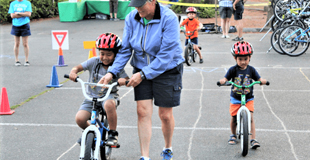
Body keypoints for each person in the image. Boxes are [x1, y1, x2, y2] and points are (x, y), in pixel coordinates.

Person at [98, 0, 184, 159]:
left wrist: (143, 74)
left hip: (167, 69)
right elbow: (125, 50)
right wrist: (111, 73)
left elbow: (166, 56)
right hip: (141, 67)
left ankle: (167, 147)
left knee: (165, 114)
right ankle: (145, 156)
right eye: (134, 5)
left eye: (140, 4)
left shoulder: (169, 19)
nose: (137, 8)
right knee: (142, 112)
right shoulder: (132, 17)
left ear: (152, 1)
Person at [69, 33, 129, 146]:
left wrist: (124, 81)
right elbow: (77, 67)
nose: (105, 57)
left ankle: (112, 133)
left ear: (116, 54)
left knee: (109, 105)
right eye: (102, 54)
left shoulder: (117, 66)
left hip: (108, 96)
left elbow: (126, 79)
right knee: (80, 119)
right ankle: (90, 131)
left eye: (109, 54)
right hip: (91, 97)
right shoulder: (94, 61)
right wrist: (73, 72)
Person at [218, 41, 267, 149]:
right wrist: (223, 80)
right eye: (240, 59)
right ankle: (233, 135)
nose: (243, 62)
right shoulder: (232, 70)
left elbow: (258, 78)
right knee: (234, 118)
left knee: (250, 118)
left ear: (250, 58)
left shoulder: (251, 70)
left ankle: (253, 139)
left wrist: (261, 80)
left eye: (246, 59)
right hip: (235, 98)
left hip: (248, 98)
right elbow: (226, 78)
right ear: (235, 58)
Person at [8, 0, 32, 66]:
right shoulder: (13, 3)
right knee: (16, 43)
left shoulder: (27, 3)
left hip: (25, 24)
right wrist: (23, 14)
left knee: (25, 44)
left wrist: (18, 13)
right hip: (15, 25)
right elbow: (12, 15)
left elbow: (29, 14)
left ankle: (26, 60)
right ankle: (16, 60)